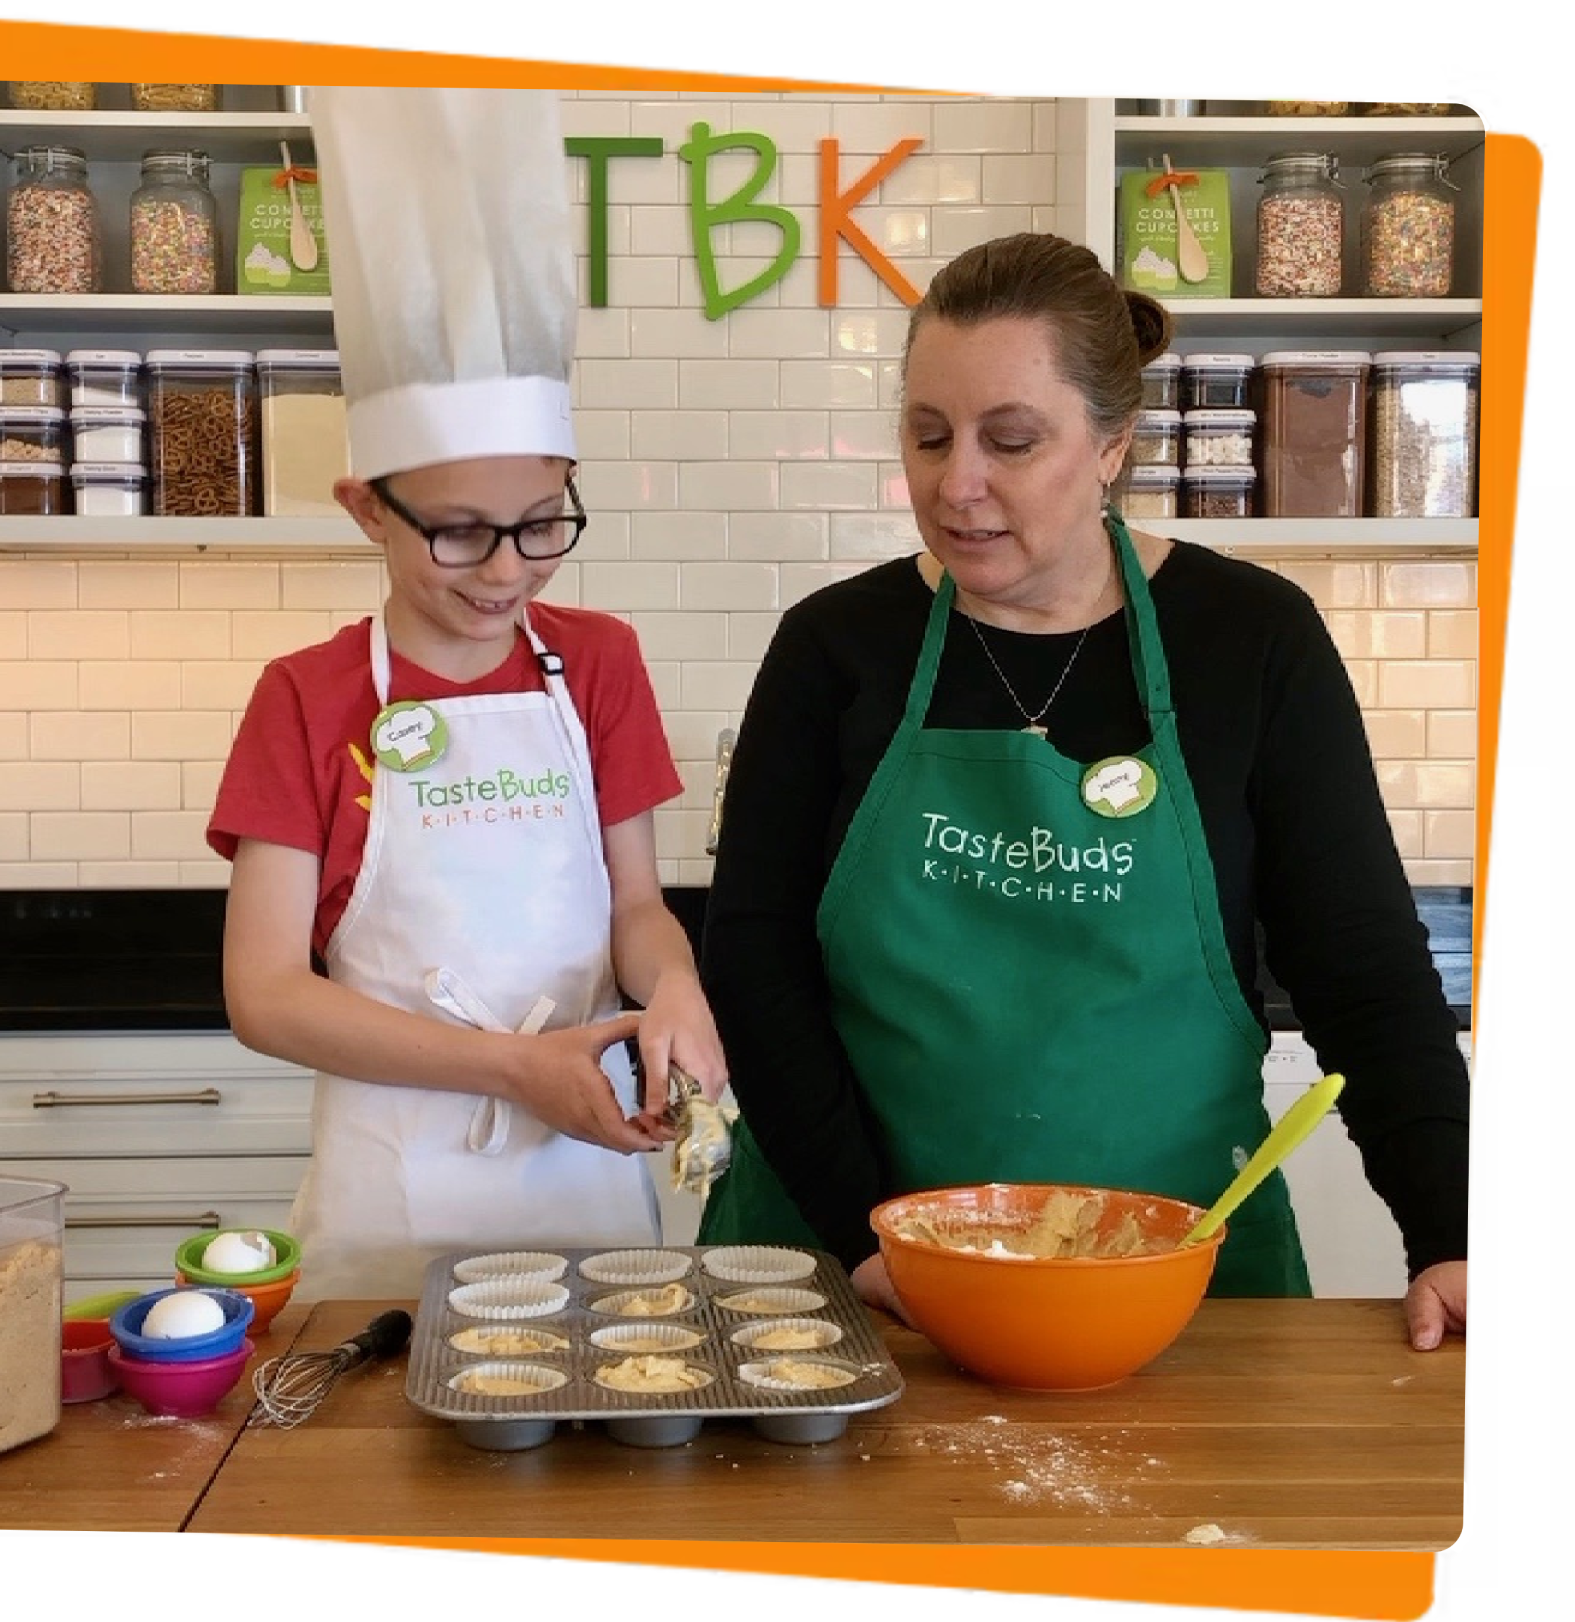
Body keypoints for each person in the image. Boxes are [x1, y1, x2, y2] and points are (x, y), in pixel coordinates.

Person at [694, 232, 1469, 1352]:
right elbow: (753, 958)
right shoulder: (837, 647)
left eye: (1011, 441)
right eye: (927, 436)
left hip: (1164, 1293)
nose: (957, 484)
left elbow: (1361, 965)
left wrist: (1444, 1228)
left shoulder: (1249, 641)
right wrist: (870, 1247)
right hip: (847, 1291)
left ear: (1113, 444)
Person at [206, 87, 726, 1305]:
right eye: (458, 534)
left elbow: (634, 907)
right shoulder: (305, 696)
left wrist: (681, 987)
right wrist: (509, 1067)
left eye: (543, 524)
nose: (508, 571)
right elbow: (266, 992)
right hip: (394, 1201)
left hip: (592, 1182)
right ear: (363, 509)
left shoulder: (596, 661)